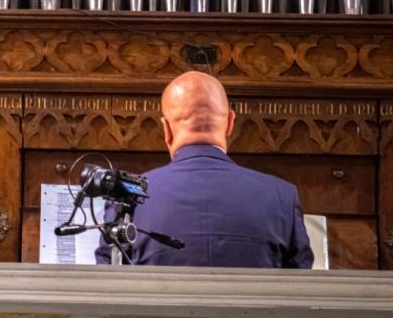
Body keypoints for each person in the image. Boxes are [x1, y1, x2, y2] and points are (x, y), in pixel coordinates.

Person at [96, 71, 314, 268]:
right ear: (230, 123)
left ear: (166, 129)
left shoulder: (126, 196)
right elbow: (302, 288)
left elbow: (108, 286)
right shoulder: (281, 197)